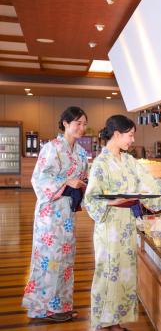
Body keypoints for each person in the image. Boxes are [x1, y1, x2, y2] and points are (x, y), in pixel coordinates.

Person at [84, 115, 161, 331]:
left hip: (126, 224)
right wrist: (112, 202)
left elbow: (150, 183)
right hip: (109, 225)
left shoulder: (128, 160)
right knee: (107, 270)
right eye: (130, 135)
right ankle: (101, 322)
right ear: (117, 135)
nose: (132, 140)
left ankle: (115, 321)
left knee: (124, 271)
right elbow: (91, 198)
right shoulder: (100, 163)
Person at [22, 106, 89, 322]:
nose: (82, 127)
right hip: (50, 213)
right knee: (48, 259)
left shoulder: (80, 152)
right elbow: (38, 179)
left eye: (84, 123)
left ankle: (60, 305)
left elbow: (84, 178)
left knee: (65, 260)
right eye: (78, 123)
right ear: (65, 124)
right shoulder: (51, 148)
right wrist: (66, 182)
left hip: (67, 213)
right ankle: (42, 308)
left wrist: (83, 185)